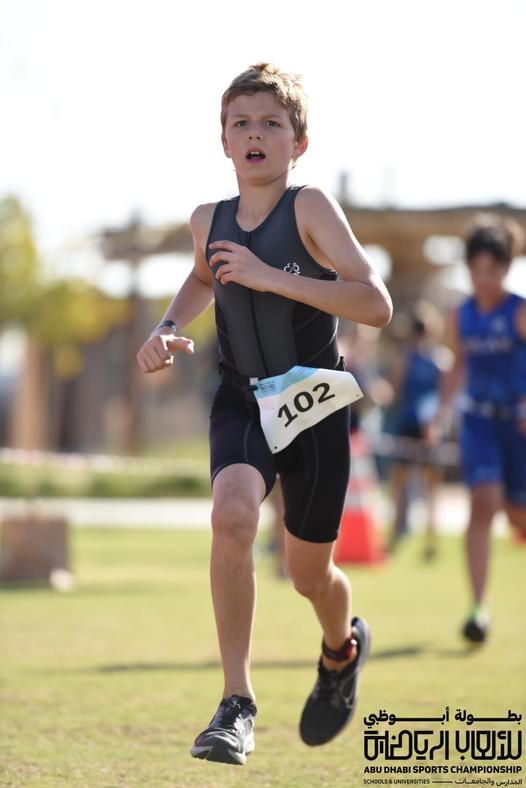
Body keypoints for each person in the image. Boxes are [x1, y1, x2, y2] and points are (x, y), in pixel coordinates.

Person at [136, 63, 392, 765]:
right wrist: (166, 327)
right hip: (242, 398)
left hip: (314, 403)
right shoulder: (208, 221)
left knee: (309, 575)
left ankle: (341, 649)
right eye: (241, 123)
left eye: (271, 123)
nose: (255, 134)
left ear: (297, 143)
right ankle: (236, 703)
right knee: (232, 513)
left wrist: (269, 277)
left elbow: (375, 303)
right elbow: (201, 276)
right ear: (223, 140)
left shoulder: (311, 209)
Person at [436, 214, 526, 644]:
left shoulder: (519, 311)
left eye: (493, 269)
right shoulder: (460, 315)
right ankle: (478, 607)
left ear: (506, 269)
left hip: (518, 426)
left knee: (517, 515)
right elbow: (458, 365)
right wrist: (440, 413)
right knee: (482, 503)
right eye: (477, 270)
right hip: (478, 423)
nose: (484, 279)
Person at [384, 302, 450, 559]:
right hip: (422, 425)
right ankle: (421, 536)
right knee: (422, 485)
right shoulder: (439, 358)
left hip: (419, 425)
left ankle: (411, 533)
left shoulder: (412, 358)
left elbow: (394, 390)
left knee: (408, 483)